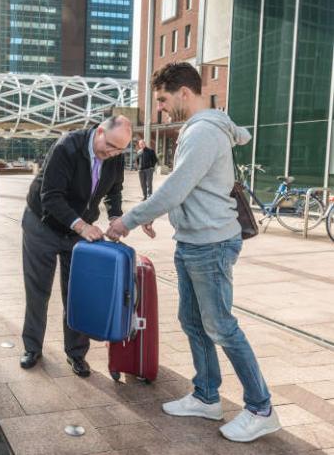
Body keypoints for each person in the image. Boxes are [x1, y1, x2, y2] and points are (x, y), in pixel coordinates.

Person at [107, 62, 280, 443]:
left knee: (221, 326)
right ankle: (206, 396)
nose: (161, 108)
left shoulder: (203, 132)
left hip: (211, 244)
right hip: (193, 241)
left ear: (184, 92)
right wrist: (161, 212)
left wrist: (129, 220)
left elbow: (177, 187)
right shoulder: (197, 130)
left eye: (163, 100)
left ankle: (261, 407)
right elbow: (183, 186)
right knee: (193, 321)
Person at [20, 116, 132, 377]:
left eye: (119, 150)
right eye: (111, 146)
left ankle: (76, 354)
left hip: (77, 231)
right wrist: (82, 226)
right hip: (43, 225)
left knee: (77, 293)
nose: (113, 153)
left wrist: (115, 217)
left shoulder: (115, 154)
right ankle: (32, 348)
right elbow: (51, 196)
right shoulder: (67, 147)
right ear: (100, 131)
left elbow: (115, 190)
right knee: (38, 291)